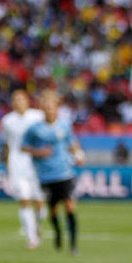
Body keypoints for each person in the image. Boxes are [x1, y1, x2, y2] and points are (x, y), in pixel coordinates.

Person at [21, 90, 85, 254]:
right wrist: (38, 152)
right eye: (47, 108)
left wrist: (79, 155)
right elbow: (24, 147)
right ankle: (58, 233)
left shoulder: (64, 125)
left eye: (52, 107)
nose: (50, 110)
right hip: (46, 175)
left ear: (57, 108)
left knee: (69, 205)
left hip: (65, 172)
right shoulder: (34, 129)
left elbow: (72, 143)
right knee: (54, 208)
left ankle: (73, 244)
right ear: (43, 109)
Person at [0, 90, 46, 249]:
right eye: (15, 99)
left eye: (21, 99)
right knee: (24, 200)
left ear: (27, 101)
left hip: (35, 163)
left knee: (39, 201)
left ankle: (37, 226)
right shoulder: (7, 121)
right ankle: (32, 237)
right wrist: (8, 166)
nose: (18, 102)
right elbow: (6, 145)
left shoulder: (37, 116)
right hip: (17, 164)